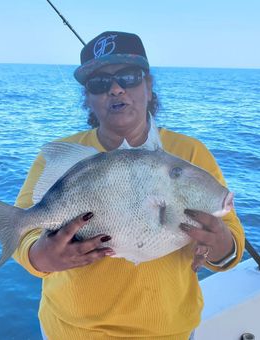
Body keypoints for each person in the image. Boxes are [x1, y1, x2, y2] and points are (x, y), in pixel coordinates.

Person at [13, 31, 245, 340]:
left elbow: (230, 241)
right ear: (89, 99)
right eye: (99, 84)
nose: (116, 89)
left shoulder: (191, 153)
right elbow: (22, 226)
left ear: (148, 87)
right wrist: (39, 256)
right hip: (70, 330)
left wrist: (220, 243)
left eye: (129, 77)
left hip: (168, 332)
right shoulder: (62, 155)